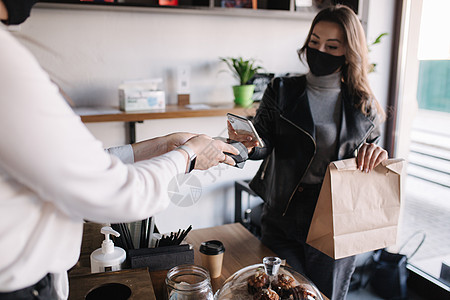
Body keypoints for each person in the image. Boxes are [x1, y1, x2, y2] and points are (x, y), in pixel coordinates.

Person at [0, 1, 239, 299]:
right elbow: (118, 194)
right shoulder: (5, 62)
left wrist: (165, 145)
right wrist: (188, 157)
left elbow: (79, 166)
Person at [228, 5, 388, 300]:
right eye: (314, 42)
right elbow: (262, 142)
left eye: (332, 46)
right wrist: (240, 147)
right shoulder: (282, 89)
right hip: (283, 212)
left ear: (348, 51)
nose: (320, 51)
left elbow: (371, 153)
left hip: (335, 217)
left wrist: (376, 154)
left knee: (323, 295)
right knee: (277, 292)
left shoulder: (362, 104)